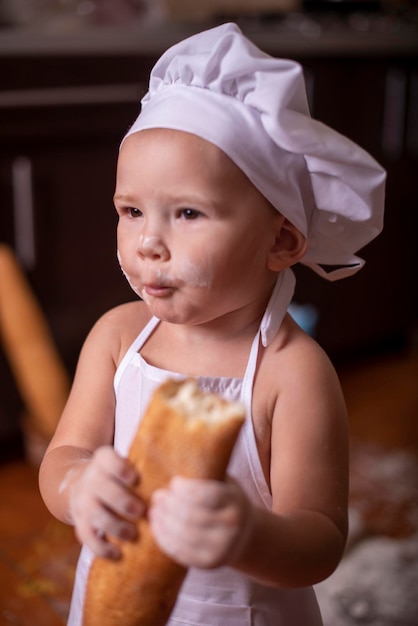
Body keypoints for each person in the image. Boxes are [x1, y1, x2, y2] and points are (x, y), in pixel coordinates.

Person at [39, 22, 385, 626]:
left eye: (189, 212)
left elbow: (321, 541)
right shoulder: (118, 338)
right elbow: (63, 456)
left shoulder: (292, 372)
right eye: (131, 210)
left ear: (280, 240)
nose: (148, 241)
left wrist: (247, 534)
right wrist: (79, 486)